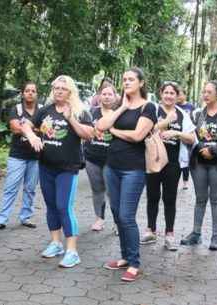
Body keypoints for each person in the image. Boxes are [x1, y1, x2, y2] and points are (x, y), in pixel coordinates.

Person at [21, 75, 94, 268]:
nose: (59, 91)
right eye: (56, 88)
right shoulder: (45, 110)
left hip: (68, 168)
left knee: (64, 206)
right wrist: (31, 136)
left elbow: (88, 134)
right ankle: (56, 243)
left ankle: (72, 251)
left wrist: (71, 119)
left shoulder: (80, 111)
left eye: (63, 88)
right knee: (51, 206)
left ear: (70, 91)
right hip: (46, 166)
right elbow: (26, 124)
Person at [96, 68, 157, 282]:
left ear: (141, 82)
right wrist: (121, 106)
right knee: (115, 211)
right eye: (124, 79)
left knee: (126, 216)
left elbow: (138, 136)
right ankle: (124, 256)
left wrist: (115, 132)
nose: (126, 82)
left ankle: (134, 262)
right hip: (112, 166)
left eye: (131, 79)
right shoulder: (119, 105)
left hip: (134, 169)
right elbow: (101, 125)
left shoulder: (148, 108)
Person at [141, 82, 196, 251]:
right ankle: (150, 230)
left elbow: (192, 139)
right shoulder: (153, 110)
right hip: (153, 159)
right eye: (166, 92)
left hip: (173, 163)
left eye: (172, 93)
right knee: (152, 196)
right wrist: (165, 122)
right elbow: (144, 131)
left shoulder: (182, 114)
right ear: (160, 94)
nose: (169, 96)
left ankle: (170, 233)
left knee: (170, 198)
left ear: (177, 96)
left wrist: (176, 133)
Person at [180, 80, 217, 251]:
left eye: (209, 92)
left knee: (216, 200)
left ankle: (215, 237)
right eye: (204, 91)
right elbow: (190, 135)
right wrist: (201, 148)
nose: (205, 95)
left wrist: (212, 150)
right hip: (199, 162)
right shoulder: (196, 114)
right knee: (200, 198)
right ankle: (196, 234)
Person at [0, 82, 41, 231]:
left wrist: (26, 127)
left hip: (36, 157)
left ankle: (26, 217)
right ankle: (2, 219)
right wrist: (34, 129)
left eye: (33, 91)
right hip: (17, 155)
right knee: (11, 187)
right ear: (23, 93)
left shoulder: (41, 110)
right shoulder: (16, 109)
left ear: (36, 94)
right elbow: (15, 128)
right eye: (27, 90)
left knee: (30, 189)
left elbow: (46, 128)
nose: (30, 93)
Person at [85, 83, 118, 232]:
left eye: (109, 94)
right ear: (99, 96)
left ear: (115, 96)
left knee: (112, 192)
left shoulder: (119, 114)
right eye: (104, 94)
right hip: (92, 157)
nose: (106, 96)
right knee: (97, 189)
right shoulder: (91, 112)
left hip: (112, 159)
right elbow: (83, 130)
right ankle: (99, 218)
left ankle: (118, 222)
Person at [176, 90, 195, 191]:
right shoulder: (174, 106)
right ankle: (177, 180)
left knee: (185, 159)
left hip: (188, 134)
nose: (178, 96)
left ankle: (186, 181)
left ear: (185, 95)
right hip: (177, 136)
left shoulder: (190, 107)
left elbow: (194, 119)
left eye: (180, 94)